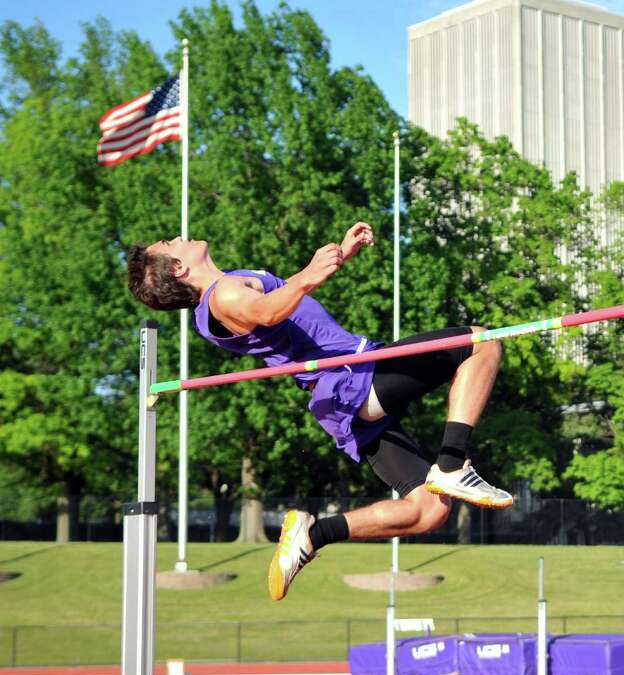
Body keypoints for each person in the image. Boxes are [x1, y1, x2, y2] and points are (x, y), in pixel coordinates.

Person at [126, 224, 513, 601]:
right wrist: (310, 274)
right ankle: (451, 465)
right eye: (168, 242)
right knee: (481, 343)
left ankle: (312, 536)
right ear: (177, 267)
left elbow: (285, 308)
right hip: (353, 377)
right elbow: (266, 312)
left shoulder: (227, 285)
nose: (178, 236)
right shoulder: (222, 295)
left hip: (342, 396)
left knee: (427, 511)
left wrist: (338, 258)